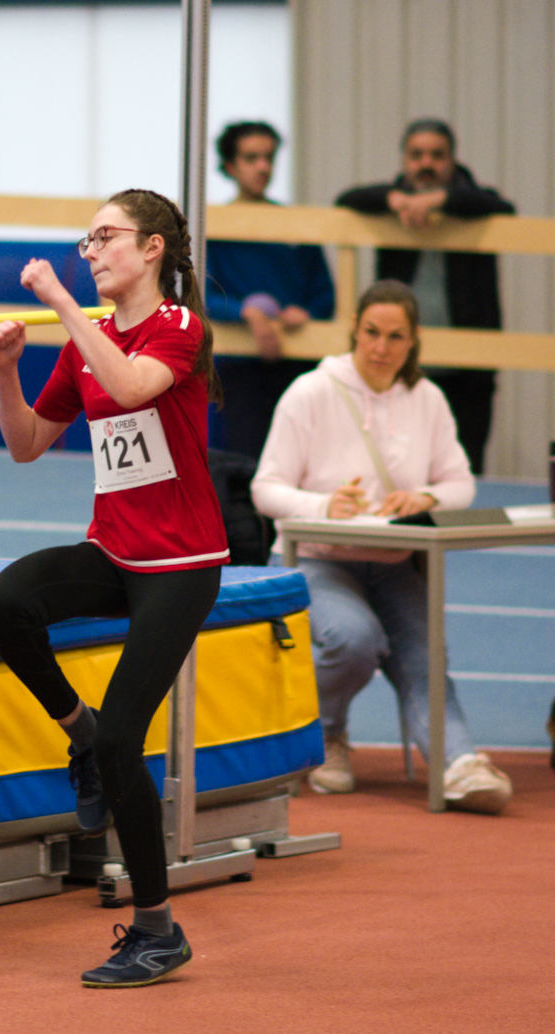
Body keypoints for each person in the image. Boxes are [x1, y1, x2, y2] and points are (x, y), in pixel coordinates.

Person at [0, 189, 229, 987]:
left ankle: (157, 929)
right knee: (4, 604)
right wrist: (5, 369)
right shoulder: (83, 342)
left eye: (106, 237)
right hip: (115, 551)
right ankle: (77, 731)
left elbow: (127, 388)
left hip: (183, 566)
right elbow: (25, 444)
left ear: (152, 248)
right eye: (83, 242)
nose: (90, 252)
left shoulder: (179, 328)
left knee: (131, 738)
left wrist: (59, 304)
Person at [251, 279, 512, 814]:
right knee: (353, 640)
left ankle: (459, 763)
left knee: (425, 656)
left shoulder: (428, 399)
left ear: (413, 341)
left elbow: (462, 485)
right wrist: (325, 505)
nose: (381, 347)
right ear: (354, 329)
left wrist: (424, 495)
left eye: (396, 336)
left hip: (393, 563)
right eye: (372, 332)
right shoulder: (311, 392)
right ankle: (324, 737)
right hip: (319, 559)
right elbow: (265, 488)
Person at [336, 118, 514, 475]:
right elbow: (346, 199)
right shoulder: (390, 202)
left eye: (437, 155)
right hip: (399, 362)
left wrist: (441, 201)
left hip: (467, 369)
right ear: (404, 159)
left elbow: (502, 207)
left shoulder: (474, 201)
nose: (426, 164)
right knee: (397, 462)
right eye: (416, 155)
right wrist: (394, 199)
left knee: (465, 463)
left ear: (452, 161)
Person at [205, 120, 334, 460]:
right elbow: (201, 295)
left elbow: (325, 296)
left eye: (268, 157)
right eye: (251, 158)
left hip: (298, 366)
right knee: (246, 462)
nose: (263, 166)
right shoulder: (214, 226)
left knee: (302, 461)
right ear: (231, 166)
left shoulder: (295, 225)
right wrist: (244, 313)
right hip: (240, 366)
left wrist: (306, 313)